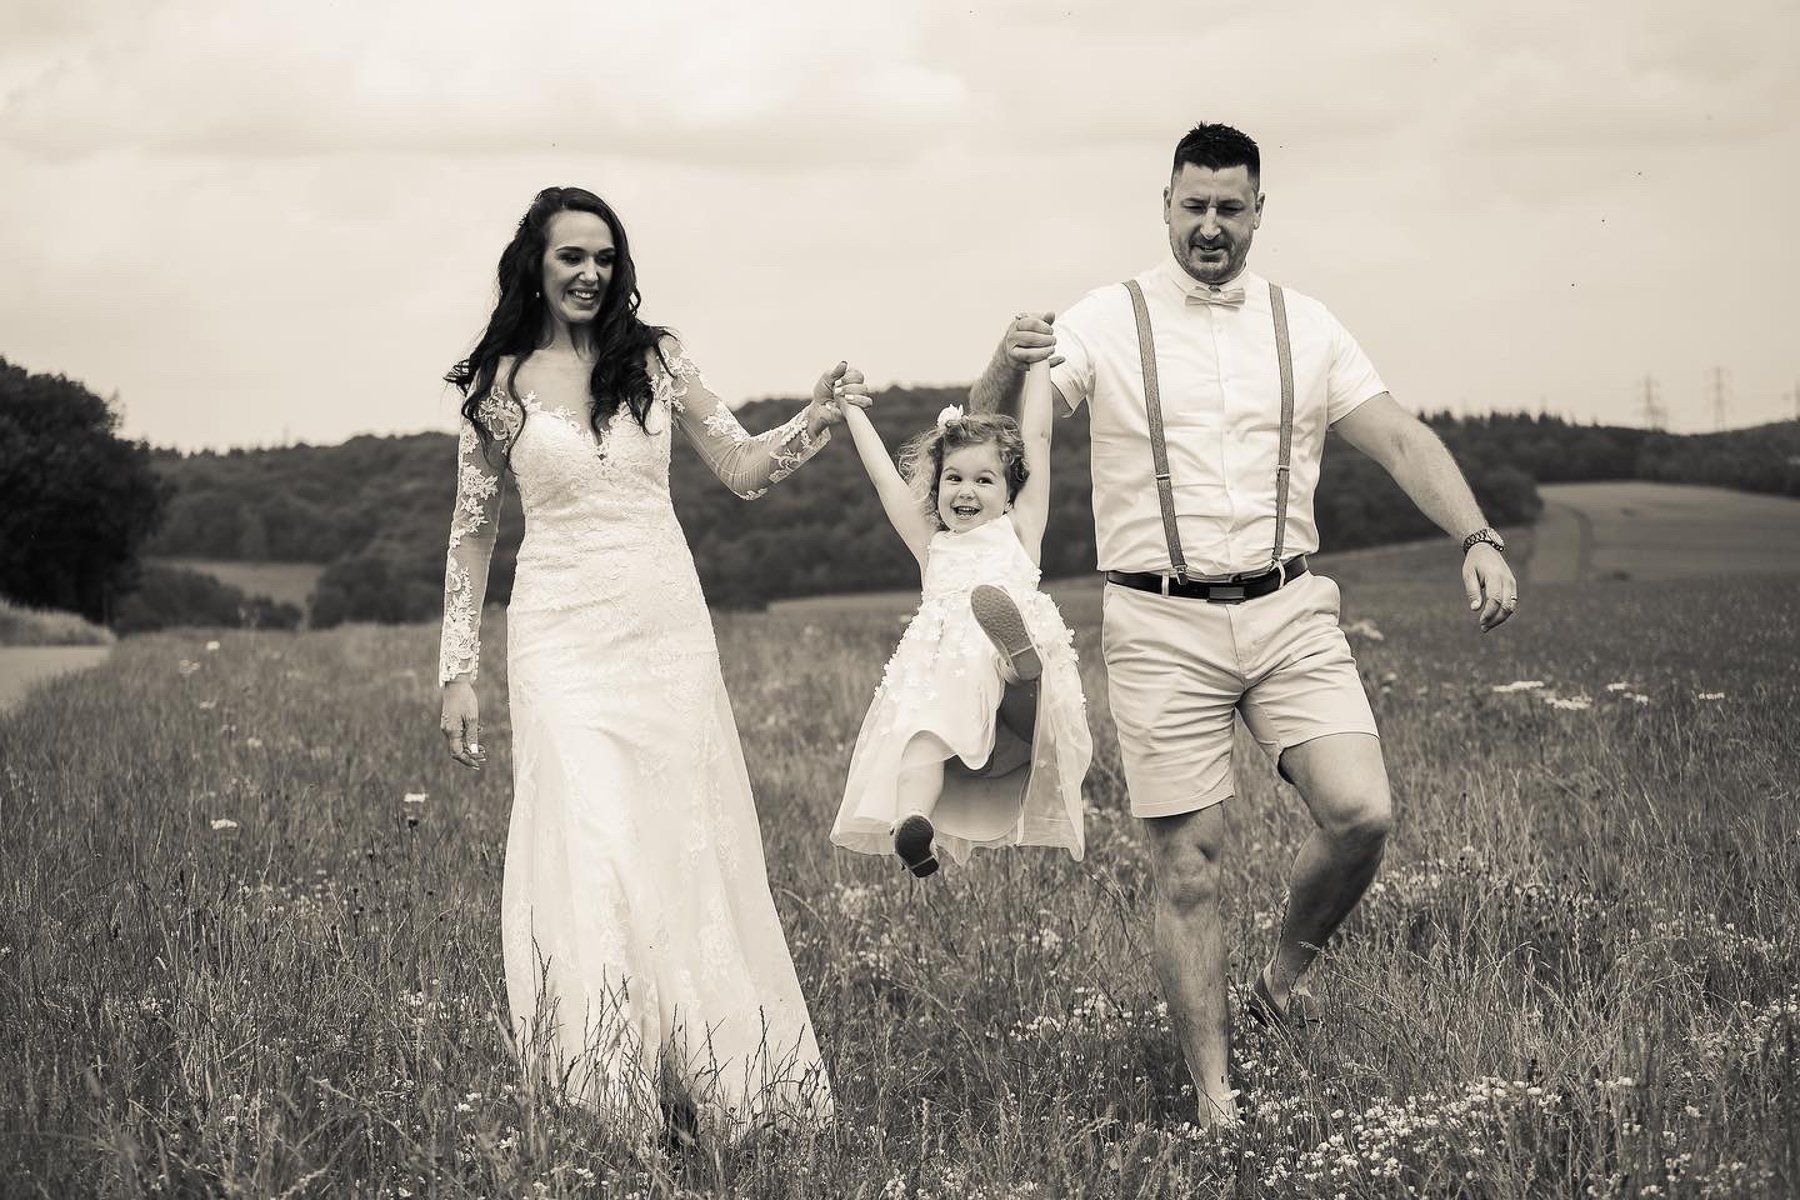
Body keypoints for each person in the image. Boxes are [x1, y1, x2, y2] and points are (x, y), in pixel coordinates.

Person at [969, 124, 1519, 1128]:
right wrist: (1003, 364)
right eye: (1195, 206)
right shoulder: (1107, 317)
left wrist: (1477, 536)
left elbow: (1399, 437)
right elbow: (998, 432)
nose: (1211, 226)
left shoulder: (1306, 325)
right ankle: (1218, 1107)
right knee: (1189, 868)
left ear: (1259, 212)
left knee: (1362, 813)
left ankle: (1279, 984)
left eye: (1231, 208)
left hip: (1289, 607)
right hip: (1157, 618)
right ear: (1166, 206)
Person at [436, 185, 863, 1142]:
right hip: (557, 636)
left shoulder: (658, 358)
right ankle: (608, 1089)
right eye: (571, 257)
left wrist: (814, 418)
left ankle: (707, 1076)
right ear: (536, 265)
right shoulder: (501, 383)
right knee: (590, 841)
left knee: (677, 840)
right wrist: (457, 669)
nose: (590, 274)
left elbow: (743, 468)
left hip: (664, 629)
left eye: (604, 257)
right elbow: (472, 534)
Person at [830, 361, 1091, 874]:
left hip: (1018, 699)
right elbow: (884, 479)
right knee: (920, 741)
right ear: (936, 487)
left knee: (1001, 683)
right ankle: (911, 825)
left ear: (1010, 491)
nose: (965, 490)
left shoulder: (1021, 529)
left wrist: (1040, 363)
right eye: (953, 478)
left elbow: (1038, 436)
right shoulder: (933, 546)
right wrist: (850, 409)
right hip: (950, 692)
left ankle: (1015, 662)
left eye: (983, 480)